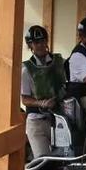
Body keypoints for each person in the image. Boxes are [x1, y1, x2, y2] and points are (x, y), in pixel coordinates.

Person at [21, 25, 66, 158]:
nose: (40, 45)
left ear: (47, 41)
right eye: (36, 42)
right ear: (30, 45)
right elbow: (25, 99)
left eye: (43, 41)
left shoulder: (60, 62)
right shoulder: (26, 69)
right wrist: (42, 103)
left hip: (59, 120)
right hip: (37, 122)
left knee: (63, 160)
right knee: (43, 160)